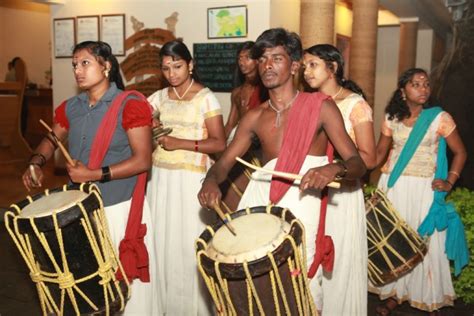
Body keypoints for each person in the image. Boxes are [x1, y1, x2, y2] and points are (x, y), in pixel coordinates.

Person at [198, 28, 366, 312]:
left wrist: (333, 168)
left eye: (277, 58)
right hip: (263, 202)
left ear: (295, 65)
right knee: (255, 283)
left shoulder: (321, 108)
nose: (267, 65)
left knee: (300, 286)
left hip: (304, 202)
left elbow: (357, 163)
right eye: (262, 59)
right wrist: (210, 182)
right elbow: (224, 163)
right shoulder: (254, 117)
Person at [22, 41, 159, 315]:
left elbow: (143, 160)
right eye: (74, 64)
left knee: (125, 279)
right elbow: (51, 138)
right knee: (92, 282)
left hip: (118, 205)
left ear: (106, 66)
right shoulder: (71, 106)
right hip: (83, 206)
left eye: (85, 63)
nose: (78, 70)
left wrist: (94, 174)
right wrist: (36, 162)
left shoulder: (129, 104)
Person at [373, 68, 467, 315]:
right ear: (403, 91)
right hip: (393, 186)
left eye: (426, 84)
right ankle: (394, 294)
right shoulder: (391, 117)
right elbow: (379, 153)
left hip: (424, 188)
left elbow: (460, 152)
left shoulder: (439, 118)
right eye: (416, 84)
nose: (423, 89)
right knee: (395, 241)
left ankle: (427, 296)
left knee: (424, 243)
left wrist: (449, 181)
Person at [146, 40, 226, 315]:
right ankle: (163, 306)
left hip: (191, 180)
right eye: (166, 68)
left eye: (177, 66)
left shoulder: (206, 98)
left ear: (190, 65)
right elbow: (140, 131)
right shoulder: (156, 98)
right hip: (160, 180)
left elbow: (219, 143)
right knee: (161, 242)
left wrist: (178, 142)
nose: (172, 73)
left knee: (186, 245)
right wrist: (150, 127)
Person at [302, 44, 375, 315]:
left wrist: (334, 168)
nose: (306, 71)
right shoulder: (308, 102)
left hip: (341, 194)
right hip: (312, 191)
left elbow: (369, 158)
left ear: (332, 68)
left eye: (313, 65)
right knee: (311, 255)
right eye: (304, 65)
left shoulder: (354, 105)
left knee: (338, 258)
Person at [220, 41, 264, 212]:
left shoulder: (266, 90)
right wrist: (220, 145)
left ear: (257, 60)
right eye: (240, 58)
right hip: (239, 144)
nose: (242, 62)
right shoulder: (237, 92)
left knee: (255, 194)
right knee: (232, 193)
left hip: (259, 149)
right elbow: (231, 122)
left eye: (247, 58)